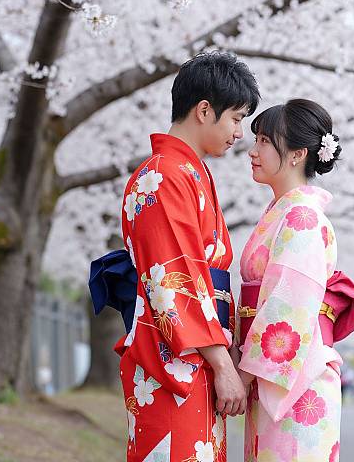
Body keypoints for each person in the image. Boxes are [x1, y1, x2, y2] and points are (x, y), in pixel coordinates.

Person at [116, 52, 260, 461]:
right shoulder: (162, 177)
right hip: (173, 354)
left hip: (196, 351)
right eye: (235, 119)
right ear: (203, 110)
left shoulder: (188, 172)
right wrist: (223, 365)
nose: (238, 133)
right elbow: (173, 281)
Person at [234, 99, 354, 462]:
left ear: (297, 154)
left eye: (264, 140)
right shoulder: (284, 212)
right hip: (276, 375)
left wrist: (241, 376)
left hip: (298, 381)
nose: (253, 150)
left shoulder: (302, 218)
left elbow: (289, 307)